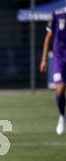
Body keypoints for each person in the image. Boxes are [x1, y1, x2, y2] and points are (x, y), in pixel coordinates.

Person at [40, 7, 66, 135]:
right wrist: (44, 59)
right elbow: (48, 38)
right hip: (60, 58)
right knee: (60, 89)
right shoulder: (57, 14)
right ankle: (62, 117)